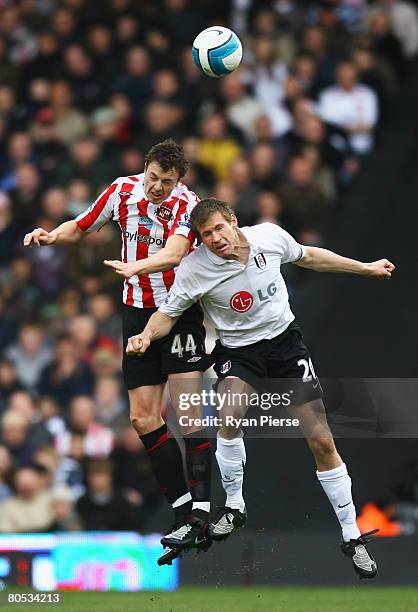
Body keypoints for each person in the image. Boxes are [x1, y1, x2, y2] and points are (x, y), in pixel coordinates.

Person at [126, 198, 395, 579]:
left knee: (321, 440)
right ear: (199, 241)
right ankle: (234, 507)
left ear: (233, 221)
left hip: (286, 346)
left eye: (220, 228)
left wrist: (364, 269)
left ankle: (351, 536)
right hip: (241, 353)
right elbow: (166, 315)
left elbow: (310, 257)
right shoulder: (194, 269)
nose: (216, 238)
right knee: (229, 414)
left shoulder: (269, 237)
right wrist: (144, 336)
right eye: (206, 235)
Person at [23, 139, 213, 554]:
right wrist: (51, 236)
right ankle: (182, 513)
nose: (158, 187)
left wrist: (137, 266)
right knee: (143, 419)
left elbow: (176, 252)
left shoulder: (188, 204)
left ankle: (202, 510)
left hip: (178, 311)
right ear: (143, 167)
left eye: (167, 180)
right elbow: (83, 223)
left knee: (187, 413)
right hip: (136, 315)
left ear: (179, 180)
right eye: (153, 177)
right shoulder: (121, 190)